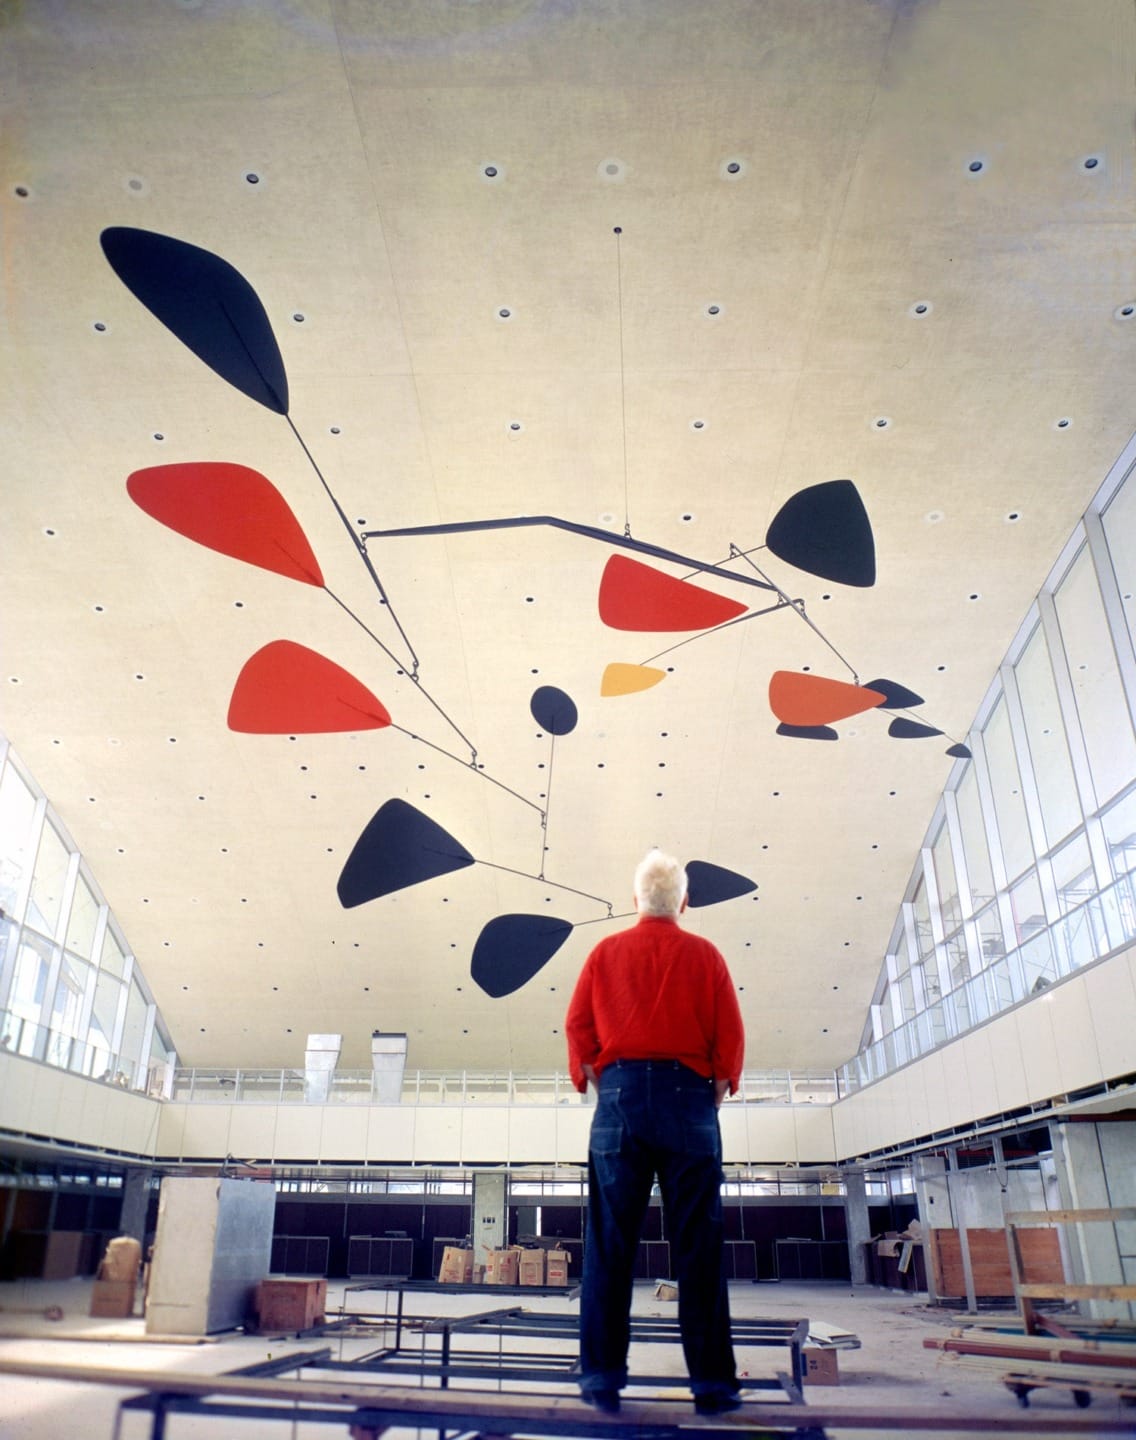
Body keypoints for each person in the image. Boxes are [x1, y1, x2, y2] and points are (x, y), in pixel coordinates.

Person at [565, 848, 745, 1415]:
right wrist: (710, 1093)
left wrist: (608, 1084)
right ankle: (712, 1386)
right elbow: (729, 1038)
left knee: (609, 1244)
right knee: (699, 1245)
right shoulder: (706, 956)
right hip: (688, 1099)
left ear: (635, 900)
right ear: (684, 903)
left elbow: (578, 1028)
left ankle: (601, 1379)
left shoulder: (604, 952)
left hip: (620, 1099)